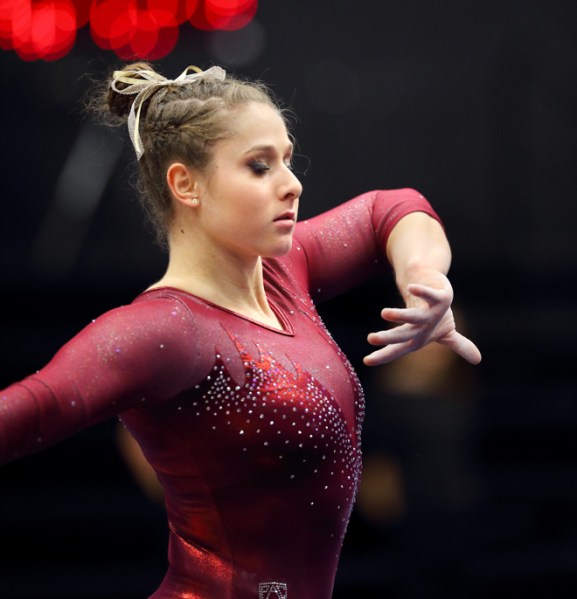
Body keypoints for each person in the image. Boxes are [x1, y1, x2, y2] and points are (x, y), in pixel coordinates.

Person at [0, 62, 481, 599]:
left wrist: (421, 276)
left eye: (287, 161)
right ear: (186, 184)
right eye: (259, 166)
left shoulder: (284, 276)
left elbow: (392, 209)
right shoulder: (162, 330)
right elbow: (30, 409)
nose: (292, 184)